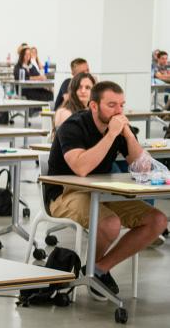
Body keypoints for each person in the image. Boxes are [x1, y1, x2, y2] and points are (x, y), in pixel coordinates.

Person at [43, 81, 168, 295]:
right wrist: (111, 135)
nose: (118, 111)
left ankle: (97, 269)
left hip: (100, 191)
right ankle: (93, 273)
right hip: (64, 193)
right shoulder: (73, 127)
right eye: (112, 105)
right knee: (110, 224)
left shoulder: (120, 129)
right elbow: (81, 168)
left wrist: (127, 134)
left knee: (157, 220)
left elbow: (144, 169)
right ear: (93, 106)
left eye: (122, 105)